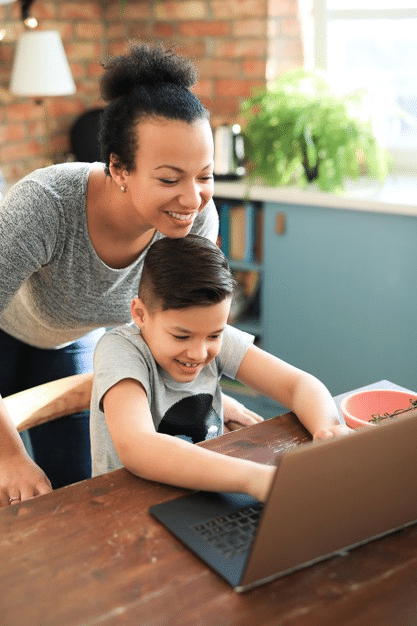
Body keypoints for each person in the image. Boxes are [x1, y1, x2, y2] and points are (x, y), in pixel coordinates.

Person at [0, 42, 256, 507]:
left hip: (70, 337)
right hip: (6, 329)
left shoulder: (196, 218)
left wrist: (206, 394)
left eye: (204, 175)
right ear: (118, 167)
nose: (193, 198)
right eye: (168, 178)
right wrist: (8, 453)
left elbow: (185, 321)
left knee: (80, 485)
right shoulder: (43, 206)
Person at [91, 235, 351, 502]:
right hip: (127, 503)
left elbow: (297, 385)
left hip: (204, 490)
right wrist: (254, 478)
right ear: (140, 314)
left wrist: (328, 429)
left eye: (215, 335)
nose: (200, 353)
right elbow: (138, 447)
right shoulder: (119, 349)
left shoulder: (208, 332)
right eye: (181, 337)